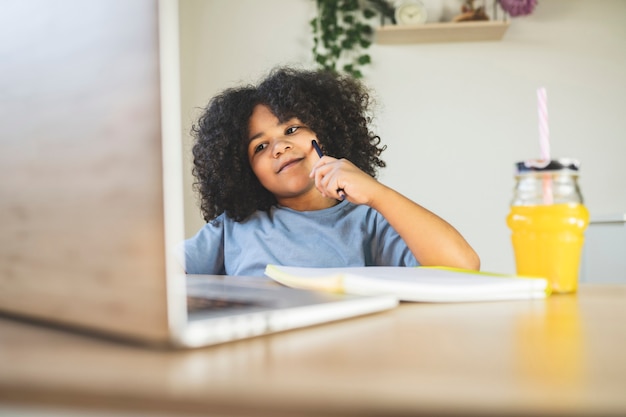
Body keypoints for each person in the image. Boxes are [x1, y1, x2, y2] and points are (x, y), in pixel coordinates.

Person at [183, 67, 480, 276]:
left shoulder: (367, 220)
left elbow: (462, 265)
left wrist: (377, 194)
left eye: (292, 128)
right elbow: (162, 275)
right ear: (245, 170)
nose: (280, 147)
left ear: (325, 132)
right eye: (260, 147)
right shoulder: (233, 228)